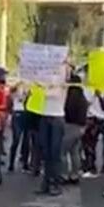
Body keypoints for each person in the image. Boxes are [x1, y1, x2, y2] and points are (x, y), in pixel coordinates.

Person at [36, 67, 67, 197]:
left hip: (56, 117)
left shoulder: (62, 82)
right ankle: (46, 182)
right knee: (45, 151)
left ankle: (56, 183)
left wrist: (43, 88)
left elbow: (54, 94)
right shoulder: (43, 78)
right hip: (45, 116)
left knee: (55, 153)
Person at [61, 74, 88, 184]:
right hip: (80, 127)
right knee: (75, 152)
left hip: (69, 125)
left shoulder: (69, 97)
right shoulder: (82, 97)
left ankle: (64, 174)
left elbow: (66, 110)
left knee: (62, 151)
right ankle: (75, 174)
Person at [8, 83, 30, 173]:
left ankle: (25, 163)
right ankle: (11, 164)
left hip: (27, 113)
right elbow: (11, 91)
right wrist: (19, 85)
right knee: (16, 140)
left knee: (26, 140)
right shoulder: (16, 89)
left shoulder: (29, 88)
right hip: (17, 113)